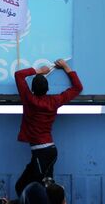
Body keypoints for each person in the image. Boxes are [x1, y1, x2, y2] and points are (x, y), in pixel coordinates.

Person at [13, 59, 83, 197]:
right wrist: (65, 66)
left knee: (27, 187)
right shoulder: (54, 101)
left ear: (32, 89)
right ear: (48, 89)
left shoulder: (29, 99)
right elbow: (77, 88)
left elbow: (18, 75)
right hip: (47, 151)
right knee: (42, 188)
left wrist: (39, 71)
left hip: (41, 153)